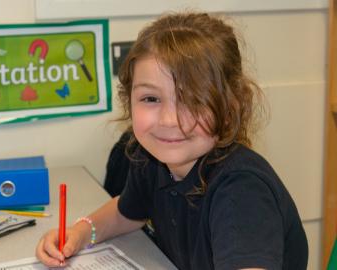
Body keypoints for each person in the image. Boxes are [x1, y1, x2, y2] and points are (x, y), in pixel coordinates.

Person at [35, 12, 308, 270]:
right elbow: (126, 211)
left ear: (230, 109)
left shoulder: (241, 192)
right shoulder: (152, 158)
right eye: (150, 99)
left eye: (192, 100)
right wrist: (80, 233)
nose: (168, 120)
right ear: (129, 102)